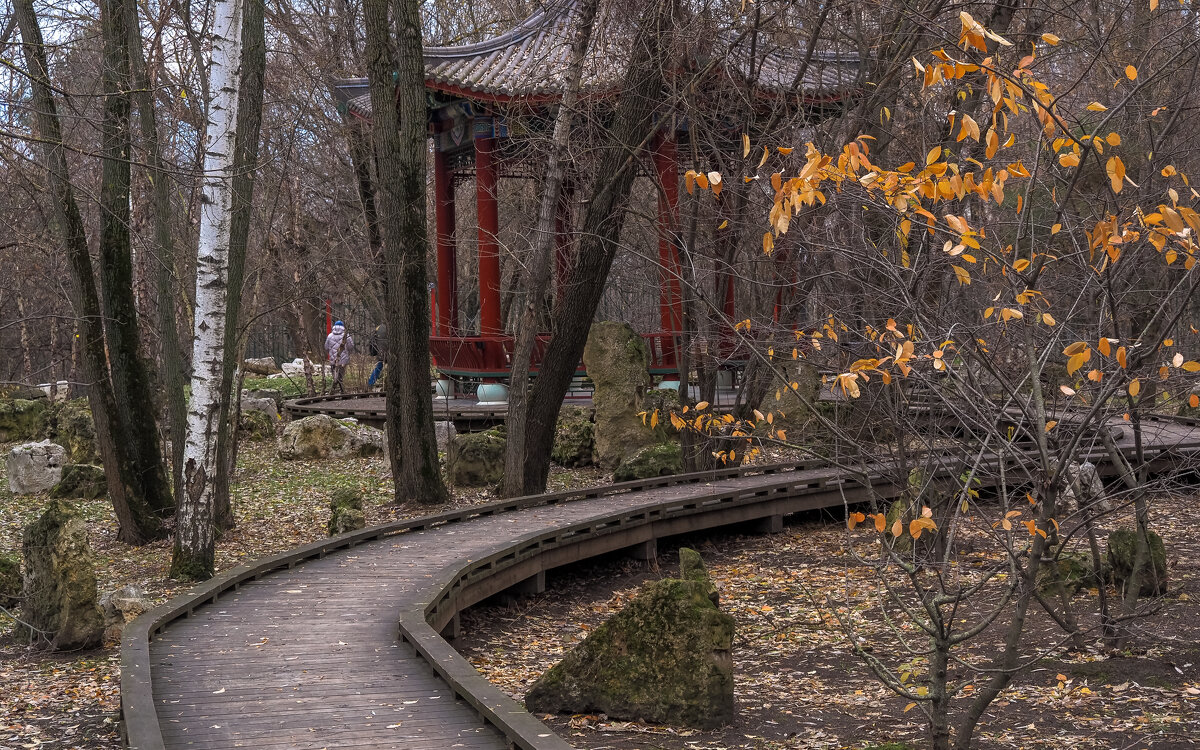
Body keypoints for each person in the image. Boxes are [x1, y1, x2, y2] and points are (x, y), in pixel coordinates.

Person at [324, 320, 354, 394]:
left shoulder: (330, 336)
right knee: (340, 376)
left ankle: (335, 391)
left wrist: (331, 354)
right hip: (343, 360)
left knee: (335, 376)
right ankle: (341, 391)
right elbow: (351, 346)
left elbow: (326, 347)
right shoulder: (346, 335)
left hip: (333, 360)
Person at [367, 323, 387, 387]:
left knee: (379, 367)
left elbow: (373, 339)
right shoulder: (393, 327)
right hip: (390, 352)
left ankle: (371, 383)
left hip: (380, 351)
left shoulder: (379, 327)